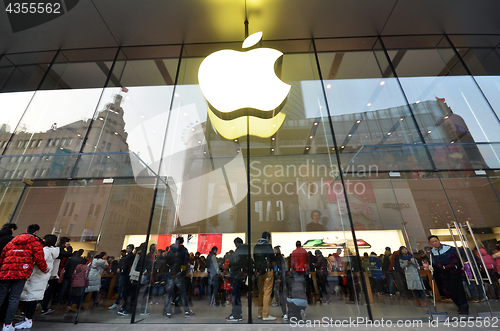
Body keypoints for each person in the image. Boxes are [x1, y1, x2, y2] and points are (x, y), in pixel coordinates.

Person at [0, 224, 48, 331]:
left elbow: (3, 255)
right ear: (36, 232)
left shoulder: (12, 241)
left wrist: (3, 268)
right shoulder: (35, 243)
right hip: (21, 273)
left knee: (1, 296)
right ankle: (7, 325)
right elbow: (39, 258)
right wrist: (45, 268)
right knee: (14, 298)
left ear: (26, 230)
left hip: (6, 272)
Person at [15, 235, 58, 329]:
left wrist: (27, 275)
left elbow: (39, 263)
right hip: (41, 278)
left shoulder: (45, 251)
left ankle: (28, 319)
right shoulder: (52, 251)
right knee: (32, 298)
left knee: (31, 298)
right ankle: (27, 319)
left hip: (36, 277)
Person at [428, 235, 469, 315]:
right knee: (449, 290)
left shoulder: (450, 249)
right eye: (433, 242)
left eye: (436, 241)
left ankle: (464, 307)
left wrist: (466, 263)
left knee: (458, 289)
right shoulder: (432, 252)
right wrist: (431, 266)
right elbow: (434, 263)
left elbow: (462, 254)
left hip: (454, 271)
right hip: (443, 273)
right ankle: (459, 305)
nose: (435, 243)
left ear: (439, 240)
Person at [40, 237, 72, 315]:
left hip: (49, 272)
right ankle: (44, 307)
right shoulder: (57, 250)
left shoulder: (49, 249)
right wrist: (69, 247)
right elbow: (68, 254)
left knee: (45, 290)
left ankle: (41, 306)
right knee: (48, 291)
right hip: (52, 273)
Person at [164, 237, 195, 318]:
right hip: (178, 274)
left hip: (171, 273)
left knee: (169, 293)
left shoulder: (170, 250)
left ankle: (168, 312)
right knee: (183, 293)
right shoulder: (184, 250)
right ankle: (187, 311)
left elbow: (167, 261)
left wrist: (170, 270)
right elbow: (185, 262)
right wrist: (182, 272)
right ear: (182, 242)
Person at [253, 231, 276, 321]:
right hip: (267, 271)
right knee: (267, 292)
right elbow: (272, 259)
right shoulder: (268, 246)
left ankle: (260, 313)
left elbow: (255, 258)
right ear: (267, 238)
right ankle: (265, 314)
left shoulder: (256, 246)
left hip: (259, 272)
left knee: (261, 292)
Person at [226, 237, 249, 322]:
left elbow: (235, 261)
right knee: (237, 295)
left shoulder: (239, 250)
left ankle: (236, 314)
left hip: (236, 275)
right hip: (241, 275)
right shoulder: (245, 250)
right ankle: (238, 314)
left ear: (236, 244)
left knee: (235, 295)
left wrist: (230, 257)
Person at [108, 244, 135, 310]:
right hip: (124, 274)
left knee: (122, 289)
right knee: (122, 289)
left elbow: (125, 265)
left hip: (125, 274)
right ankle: (125, 302)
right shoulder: (127, 257)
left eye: (128, 248)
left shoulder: (129, 257)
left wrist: (121, 269)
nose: (127, 249)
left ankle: (123, 302)